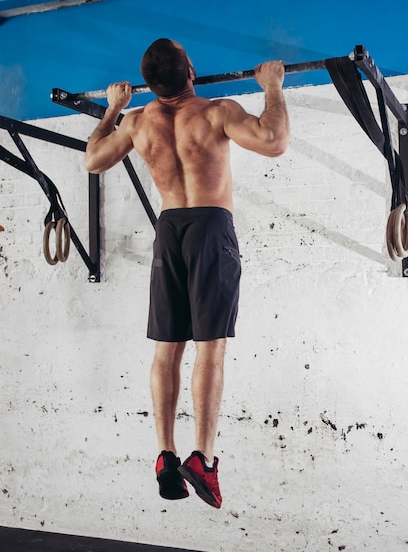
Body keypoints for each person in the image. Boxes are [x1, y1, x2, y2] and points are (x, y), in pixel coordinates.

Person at [84, 38, 289, 509]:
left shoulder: (137, 122)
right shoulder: (216, 111)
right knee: (210, 349)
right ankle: (204, 458)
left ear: (149, 86)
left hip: (169, 228)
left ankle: (164, 453)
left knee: (166, 350)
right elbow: (274, 141)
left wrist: (113, 109)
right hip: (210, 226)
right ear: (192, 70)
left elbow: (91, 160)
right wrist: (273, 87)